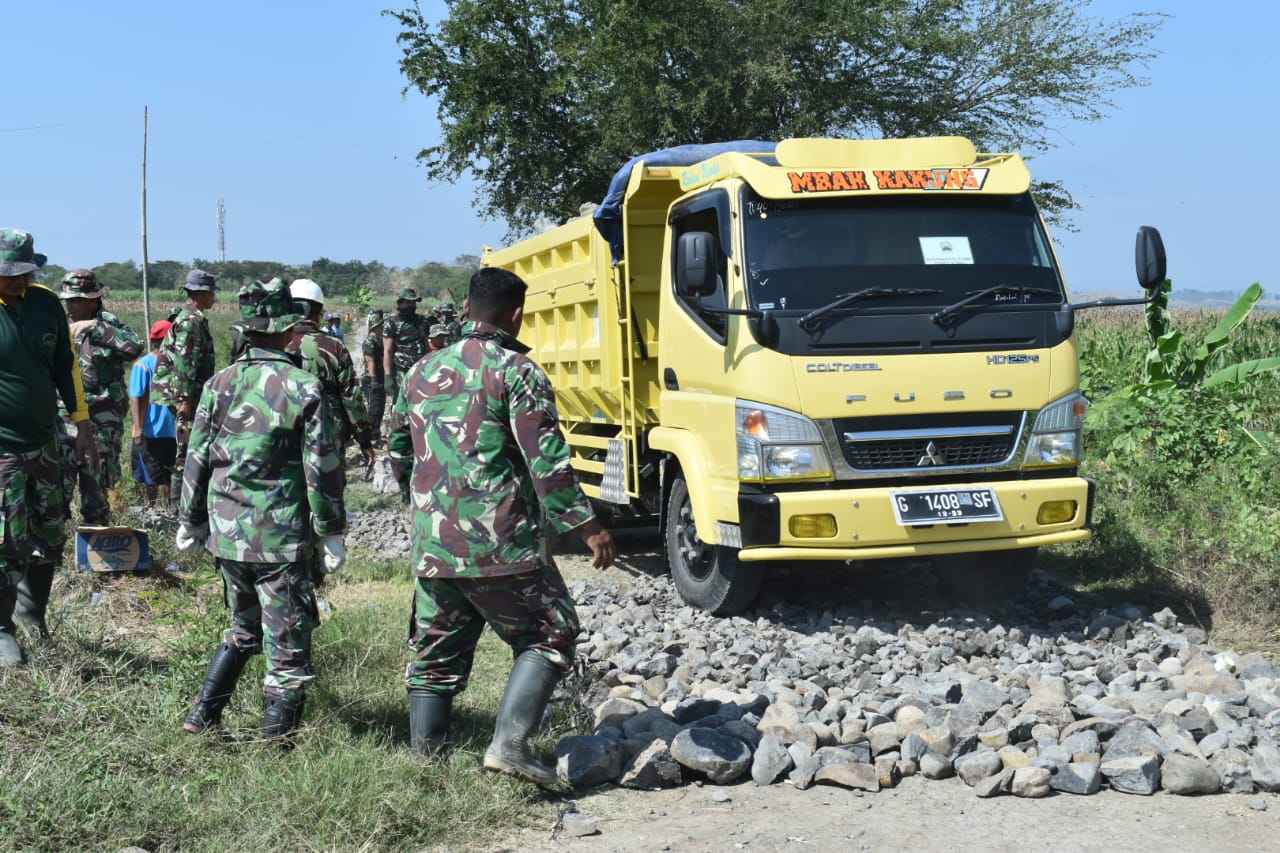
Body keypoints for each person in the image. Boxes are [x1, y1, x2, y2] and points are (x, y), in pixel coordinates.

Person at [388, 266, 616, 787]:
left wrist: (426, 506)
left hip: (434, 543)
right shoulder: (517, 371)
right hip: (501, 542)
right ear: (517, 315)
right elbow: (546, 461)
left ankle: (427, 768)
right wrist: (587, 526)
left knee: (435, 653)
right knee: (551, 631)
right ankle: (510, 746)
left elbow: (399, 450)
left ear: (466, 308)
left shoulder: (419, 370)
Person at [176, 279, 346, 745]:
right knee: (287, 644)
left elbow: (197, 456)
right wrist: (331, 529)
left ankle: (204, 716)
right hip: (280, 537)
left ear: (247, 330)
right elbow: (321, 466)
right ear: (289, 330)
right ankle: (275, 746)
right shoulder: (302, 386)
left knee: (243, 626)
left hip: (228, 533)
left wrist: (190, 519)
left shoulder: (218, 384)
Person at [0, 229, 97, 666]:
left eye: (24, 272)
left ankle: (31, 612)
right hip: (3, 447)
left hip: (45, 441)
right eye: (8, 274)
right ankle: (2, 628)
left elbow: (66, 366)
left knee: (52, 531)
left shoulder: (44, 304)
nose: (18, 280)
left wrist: (83, 423)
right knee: (6, 538)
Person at [57, 270, 144, 523]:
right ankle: (56, 540)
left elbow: (134, 347)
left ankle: (97, 538)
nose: (71, 305)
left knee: (98, 488)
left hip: (102, 420)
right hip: (64, 418)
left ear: (94, 299)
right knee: (56, 489)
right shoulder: (59, 324)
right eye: (68, 300)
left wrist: (96, 328)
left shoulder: (108, 324)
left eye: (77, 300)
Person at [287, 279, 375, 470]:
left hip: (283, 431)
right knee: (328, 485)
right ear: (318, 313)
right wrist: (364, 440)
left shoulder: (274, 345)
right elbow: (351, 397)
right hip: (327, 435)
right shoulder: (333, 346)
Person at [152, 269, 218, 510]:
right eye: (211, 293)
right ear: (202, 294)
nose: (214, 297)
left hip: (188, 393)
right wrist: (185, 400)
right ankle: (179, 510)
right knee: (186, 452)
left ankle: (183, 508)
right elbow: (184, 361)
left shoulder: (191, 318)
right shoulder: (191, 321)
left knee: (188, 449)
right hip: (186, 396)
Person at [129, 320, 178, 508]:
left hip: (161, 431)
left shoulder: (146, 364)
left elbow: (135, 397)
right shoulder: (148, 365)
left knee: (157, 479)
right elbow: (136, 397)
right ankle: (161, 512)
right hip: (154, 431)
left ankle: (158, 512)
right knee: (161, 477)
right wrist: (139, 428)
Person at [381, 288, 432, 402]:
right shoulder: (392, 323)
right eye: (408, 302)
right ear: (400, 303)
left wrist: (430, 365)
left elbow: (426, 345)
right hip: (401, 371)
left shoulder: (422, 321)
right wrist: (388, 376)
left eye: (413, 303)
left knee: (421, 402)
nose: (411, 305)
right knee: (401, 403)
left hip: (421, 370)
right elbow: (387, 351)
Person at [361, 308, 387, 442]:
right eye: (381, 326)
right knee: (374, 407)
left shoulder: (378, 340)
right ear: (375, 327)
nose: (382, 328)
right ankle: (371, 435)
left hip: (379, 377)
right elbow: (370, 361)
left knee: (380, 406)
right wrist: (373, 380)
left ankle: (375, 432)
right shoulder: (370, 342)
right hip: (372, 378)